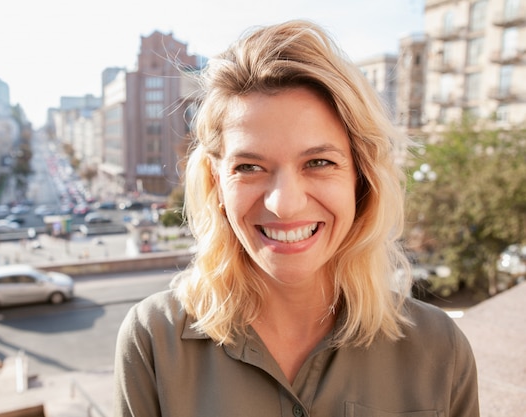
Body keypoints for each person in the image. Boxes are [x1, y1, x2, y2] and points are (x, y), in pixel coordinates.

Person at [113, 20, 479, 416]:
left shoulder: (439, 349)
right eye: (250, 167)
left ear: (361, 177)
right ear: (216, 181)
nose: (284, 205)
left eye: (319, 162)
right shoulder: (153, 340)